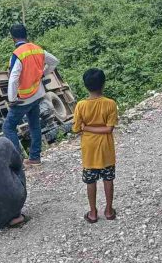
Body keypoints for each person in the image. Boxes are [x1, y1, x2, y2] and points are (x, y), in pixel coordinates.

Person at [3, 23, 60, 166]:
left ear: (13, 38)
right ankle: (35, 157)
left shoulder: (17, 54)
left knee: (8, 127)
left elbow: (13, 78)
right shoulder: (38, 49)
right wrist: (43, 73)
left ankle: (18, 162)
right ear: (26, 35)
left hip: (23, 99)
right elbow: (54, 62)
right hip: (37, 94)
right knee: (34, 125)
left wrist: (12, 98)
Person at [72, 69, 119, 223]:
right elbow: (109, 128)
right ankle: (109, 210)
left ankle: (93, 212)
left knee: (90, 182)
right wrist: (99, 128)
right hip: (106, 149)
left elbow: (77, 128)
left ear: (86, 86)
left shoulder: (81, 105)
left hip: (89, 150)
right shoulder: (110, 104)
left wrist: (86, 128)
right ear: (103, 84)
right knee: (108, 179)